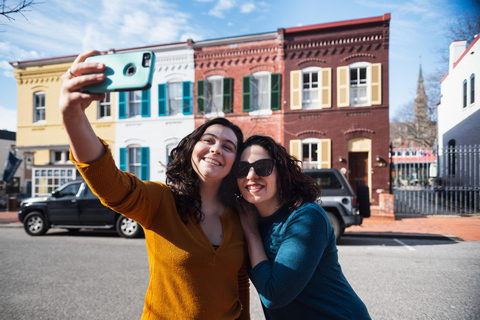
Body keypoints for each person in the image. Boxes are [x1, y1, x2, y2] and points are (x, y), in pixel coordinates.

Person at [59, 50, 249, 320]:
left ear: (235, 162)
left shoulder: (239, 215)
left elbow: (239, 284)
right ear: (191, 149)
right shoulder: (161, 201)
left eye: (228, 146)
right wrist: (73, 118)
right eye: (208, 140)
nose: (216, 149)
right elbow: (111, 185)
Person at [234, 135, 370, 320]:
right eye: (242, 169)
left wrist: (251, 233)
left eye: (263, 167)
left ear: (280, 171)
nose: (251, 176)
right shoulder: (245, 217)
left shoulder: (306, 217)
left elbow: (274, 295)